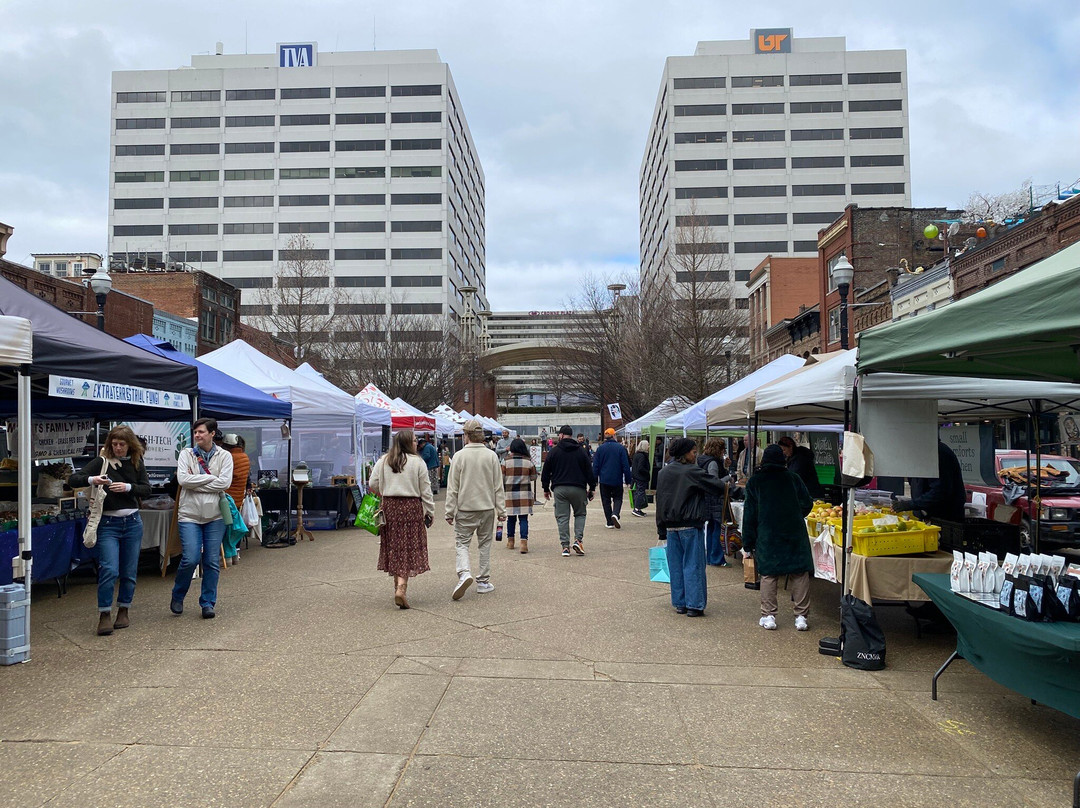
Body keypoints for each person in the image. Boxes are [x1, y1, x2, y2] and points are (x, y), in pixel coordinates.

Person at [70, 425, 151, 636]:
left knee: (129, 570)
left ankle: (124, 609)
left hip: (132, 521)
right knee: (109, 569)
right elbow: (73, 480)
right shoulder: (102, 462)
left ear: (130, 445)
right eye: (114, 444)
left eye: (122, 445)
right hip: (108, 524)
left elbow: (147, 489)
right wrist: (92, 479)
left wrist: (128, 487)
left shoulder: (136, 462)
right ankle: (104, 613)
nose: (118, 448)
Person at [740, 444, 815, 631]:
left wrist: (747, 543)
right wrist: (796, 514)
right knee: (800, 573)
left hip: (768, 533)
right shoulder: (793, 478)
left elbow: (749, 515)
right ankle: (801, 617)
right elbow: (807, 503)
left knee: (768, 574)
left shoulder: (755, 482)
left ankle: (769, 615)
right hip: (794, 532)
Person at [655, 438, 727, 617]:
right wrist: (727, 480)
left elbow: (660, 501)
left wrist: (661, 528)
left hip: (671, 526)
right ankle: (694, 604)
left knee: (676, 566)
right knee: (693, 565)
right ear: (686, 453)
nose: (696, 455)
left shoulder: (663, 473)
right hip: (690, 523)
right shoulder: (691, 471)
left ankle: (680, 603)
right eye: (694, 452)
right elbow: (717, 486)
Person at [172, 418, 233, 620]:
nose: (197, 435)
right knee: (190, 558)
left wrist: (195, 482)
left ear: (212, 433)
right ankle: (178, 595)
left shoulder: (225, 456)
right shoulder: (186, 454)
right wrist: (211, 479)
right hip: (189, 515)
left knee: (211, 561)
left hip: (215, 516)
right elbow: (182, 480)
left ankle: (207, 602)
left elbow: (224, 483)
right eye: (195, 432)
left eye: (201, 432)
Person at [369, 429, 434, 609]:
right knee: (408, 547)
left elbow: (372, 484)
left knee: (395, 547)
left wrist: (386, 487)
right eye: (414, 440)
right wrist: (429, 511)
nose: (416, 443)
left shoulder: (383, 461)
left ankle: (397, 587)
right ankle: (401, 588)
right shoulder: (417, 462)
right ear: (407, 442)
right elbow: (426, 491)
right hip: (411, 507)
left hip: (389, 507)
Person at [445, 419, 505, 599]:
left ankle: (464, 572)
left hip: (465, 508)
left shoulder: (459, 456)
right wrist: (501, 511)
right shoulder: (491, 456)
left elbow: (452, 487)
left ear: (466, 436)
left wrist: (449, 511)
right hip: (487, 507)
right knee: (485, 544)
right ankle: (483, 581)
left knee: (462, 543)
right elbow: (498, 486)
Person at [542, 425, 597, 556]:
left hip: (560, 488)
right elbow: (589, 470)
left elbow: (546, 472)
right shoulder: (581, 451)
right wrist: (592, 487)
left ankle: (565, 547)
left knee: (562, 517)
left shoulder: (554, 451)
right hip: (578, 488)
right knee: (580, 514)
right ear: (572, 436)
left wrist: (545, 488)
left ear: (561, 435)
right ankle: (578, 540)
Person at [894, 440, 966, 522]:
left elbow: (940, 492)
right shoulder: (921, 454)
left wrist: (911, 504)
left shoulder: (939, 454)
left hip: (945, 519)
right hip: (927, 516)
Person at [697, 437, 731, 567]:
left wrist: (725, 466)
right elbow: (715, 481)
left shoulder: (702, 460)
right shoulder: (713, 463)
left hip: (707, 498)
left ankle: (710, 557)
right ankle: (716, 558)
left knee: (711, 527)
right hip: (715, 498)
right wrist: (728, 477)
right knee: (717, 528)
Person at [502, 438, 537, 553]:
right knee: (523, 519)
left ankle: (510, 541)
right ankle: (523, 543)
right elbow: (534, 477)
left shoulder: (505, 461)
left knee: (511, 518)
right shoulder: (528, 461)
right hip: (524, 494)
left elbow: (501, 477)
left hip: (510, 494)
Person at [220, 433, 250, 566]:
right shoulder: (244, 457)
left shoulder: (229, 457)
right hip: (237, 499)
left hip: (227, 498)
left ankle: (226, 557)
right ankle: (234, 555)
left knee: (225, 529)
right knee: (233, 527)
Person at [593, 427, 632, 529]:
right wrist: (628, 479)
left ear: (605, 437)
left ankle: (609, 522)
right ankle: (615, 513)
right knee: (618, 498)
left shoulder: (600, 449)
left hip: (604, 479)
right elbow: (625, 465)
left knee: (606, 500)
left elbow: (595, 466)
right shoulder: (620, 448)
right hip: (617, 478)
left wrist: (594, 481)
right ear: (614, 436)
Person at [631, 439, 651, 518]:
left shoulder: (636, 454)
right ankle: (637, 508)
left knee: (638, 492)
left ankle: (637, 508)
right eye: (648, 445)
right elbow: (640, 468)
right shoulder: (642, 456)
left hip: (636, 477)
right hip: (641, 477)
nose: (649, 446)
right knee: (640, 492)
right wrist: (647, 472)